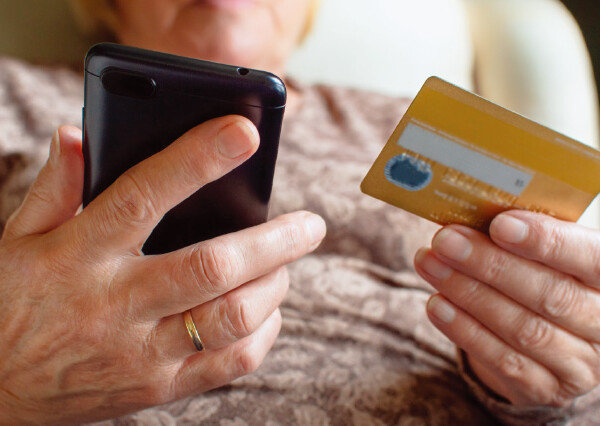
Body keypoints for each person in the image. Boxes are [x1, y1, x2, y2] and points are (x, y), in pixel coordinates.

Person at [1, 0, 599, 423]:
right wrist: (12, 384)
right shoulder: (12, 94)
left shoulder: (411, 120)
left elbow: (564, 368)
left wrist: (538, 377)